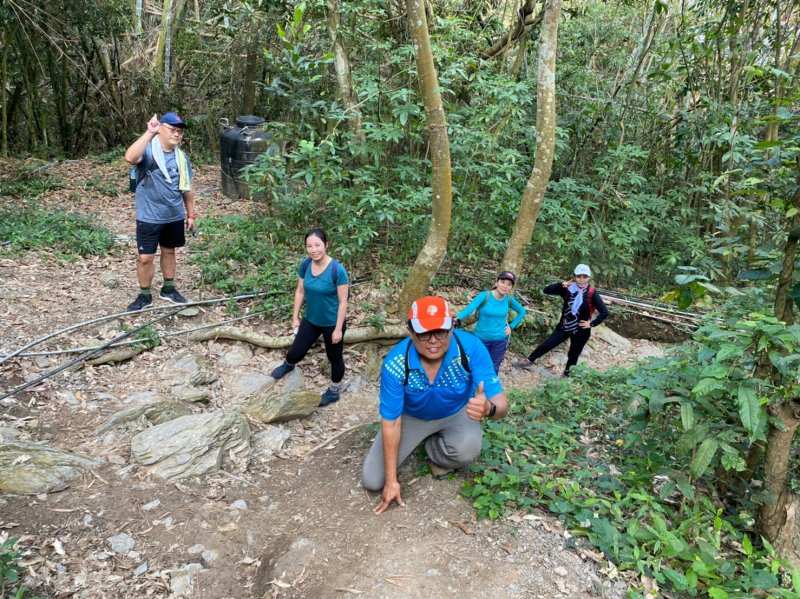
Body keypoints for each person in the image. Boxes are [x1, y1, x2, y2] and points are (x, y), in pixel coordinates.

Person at [362, 295, 508, 514]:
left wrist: (489, 409)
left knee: (467, 450)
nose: (432, 340)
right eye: (423, 332)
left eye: (440, 331)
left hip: (456, 412)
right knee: (373, 480)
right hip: (412, 417)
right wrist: (392, 481)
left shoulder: (470, 348)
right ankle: (419, 439)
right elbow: (391, 422)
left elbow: (501, 403)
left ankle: (433, 448)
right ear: (411, 332)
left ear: (451, 328)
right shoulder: (396, 363)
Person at [124, 112, 195, 311]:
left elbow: (187, 188)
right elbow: (130, 157)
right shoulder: (148, 151)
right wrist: (149, 132)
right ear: (161, 129)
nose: (177, 134)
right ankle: (144, 294)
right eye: (172, 129)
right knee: (145, 258)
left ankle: (169, 288)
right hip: (149, 216)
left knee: (169, 251)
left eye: (180, 131)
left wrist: (191, 214)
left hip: (174, 215)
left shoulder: (182, 158)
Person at [270, 228, 349, 407]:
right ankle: (288, 365)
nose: (313, 249)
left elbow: (343, 302)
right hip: (311, 319)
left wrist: (338, 329)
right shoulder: (305, 265)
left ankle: (335, 390)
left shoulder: (337, 270)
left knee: (334, 357)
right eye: (309, 246)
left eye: (317, 245)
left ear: (326, 245)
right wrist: (295, 317)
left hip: (331, 322)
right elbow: (300, 291)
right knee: (296, 351)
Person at [516, 264, 608, 376]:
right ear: (575, 276)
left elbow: (604, 312)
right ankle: (529, 360)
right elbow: (546, 290)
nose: (581, 279)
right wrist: (560, 285)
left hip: (581, 330)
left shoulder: (592, 293)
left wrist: (592, 323)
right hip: (564, 326)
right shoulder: (568, 288)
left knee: (573, 354)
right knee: (548, 344)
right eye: (579, 276)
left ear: (589, 277)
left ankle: (567, 374)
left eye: (584, 276)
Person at [455, 271, 526, 373]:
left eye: (509, 284)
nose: (505, 286)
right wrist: (457, 318)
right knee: (476, 366)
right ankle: (474, 387)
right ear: (496, 282)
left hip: (500, 341)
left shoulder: (508, 300)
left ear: (511, 288)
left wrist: (511, 326)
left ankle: (488, 388)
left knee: (493, 368)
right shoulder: (485, 296)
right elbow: (470, 308)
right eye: (503, 282)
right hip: (480, 339)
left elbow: (522, 311)